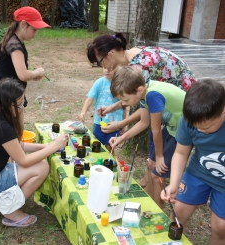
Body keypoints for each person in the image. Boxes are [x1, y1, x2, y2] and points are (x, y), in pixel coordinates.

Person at [87, 32, 196, 189]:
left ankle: (155, 179)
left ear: (110, 54)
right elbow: (136, 100)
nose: (102, 67)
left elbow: (146, 116)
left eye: (100, 62)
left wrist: (119, 125)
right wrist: (113, 107)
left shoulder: (139, 68)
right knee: (155, 158)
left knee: (160, 160)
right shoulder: (133, 56)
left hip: (184, 106)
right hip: (171, 102)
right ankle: (150, 177)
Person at [0, 78, 68, 227]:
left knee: (35, 162)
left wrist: (46, 146)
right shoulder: (1, 126)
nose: (22, 108)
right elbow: (24, 161)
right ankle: (11, 210)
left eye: (23, 103)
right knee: (41, 167)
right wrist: (53, 148)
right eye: (19, 105)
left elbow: (16, 144)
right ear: (5, 105)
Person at [109, 66, 185, 208]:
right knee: (151, 165)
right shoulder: (144, 93)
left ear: (139, 90)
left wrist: (160, 156)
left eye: (125, 99)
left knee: (157, 174)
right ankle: (150, 203)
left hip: (182, 132)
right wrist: (121, 138)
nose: (124, 103)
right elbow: (144, 122)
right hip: (171, 128)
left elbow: (156, 130)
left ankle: (157, 210)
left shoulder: (152, 96)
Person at [161, 79, 225, 244]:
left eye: (205, 128)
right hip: (199, 171)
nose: (199, 131)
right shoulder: (190, 120)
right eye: (195, 127)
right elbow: (181, 153)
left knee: (221, 227)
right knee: (178, 213)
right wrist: (174, 184)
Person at [0, 6, 50, 103]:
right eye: (34, 30)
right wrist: (37, 72)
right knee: (7, 118)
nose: (36, 33)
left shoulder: (14, 40)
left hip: (8, 90)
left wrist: (32, 75)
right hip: (6, 93)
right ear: (23, 24)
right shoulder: (15, 46)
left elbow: (16, 71)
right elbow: (23, 75)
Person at [78, 67, 129, 151]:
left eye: (111, 68)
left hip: (115, 123)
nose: (107, 70)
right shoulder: (99, 82)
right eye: (105, 67)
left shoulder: (121, 84)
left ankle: (110, 163)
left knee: (110, 147)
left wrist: (123, 124)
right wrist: (83, 112)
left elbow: (124, 105)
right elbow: (89, 99)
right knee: (97, 146)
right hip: (99, 122)